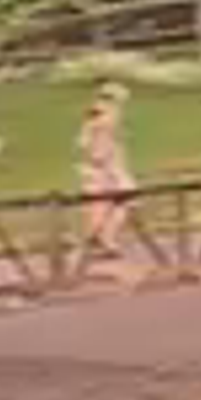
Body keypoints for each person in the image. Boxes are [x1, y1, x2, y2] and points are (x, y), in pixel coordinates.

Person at [76, 73, 136, 268]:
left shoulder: (104, 114)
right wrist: (104, 164)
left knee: (111, 203)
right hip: (102, 168)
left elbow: (85, 141)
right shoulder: (101, 115)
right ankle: (102, 242)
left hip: (106, 167)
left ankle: (103, 240)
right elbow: (88, 143)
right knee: (107, 205)